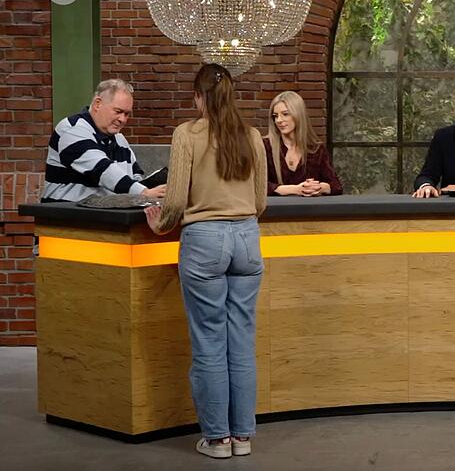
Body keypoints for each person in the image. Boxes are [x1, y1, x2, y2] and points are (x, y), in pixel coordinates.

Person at [144, 64, 267, 459]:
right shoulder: (252, 136)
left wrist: (162, 224)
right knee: (241, 341)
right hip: (247, 237)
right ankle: (243, 436)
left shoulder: (187, 134)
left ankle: (217, 439)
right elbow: (260, 200)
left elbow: (176, 198)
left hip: (204, 241)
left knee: (210, 342)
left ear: (198, 97)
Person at [41, 79, 167, 202]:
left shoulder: (119, 139)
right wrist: (144, 193)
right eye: (118, 111)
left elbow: (134, 179)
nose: (122, 119)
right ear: (98, 104)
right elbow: (102, 171)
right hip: (65, 211)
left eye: (127, 114)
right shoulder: (71, 130)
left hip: (103, 210)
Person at [265, 91, 342, 196]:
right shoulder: (265, 146)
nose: (279, 120)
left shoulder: (316, 149)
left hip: (308, 207)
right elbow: (256, 185)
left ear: (298, 115)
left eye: (285, 114)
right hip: (274, 206)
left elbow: (336, 186)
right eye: (275, 116)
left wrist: (319, 187)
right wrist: (295, 189)